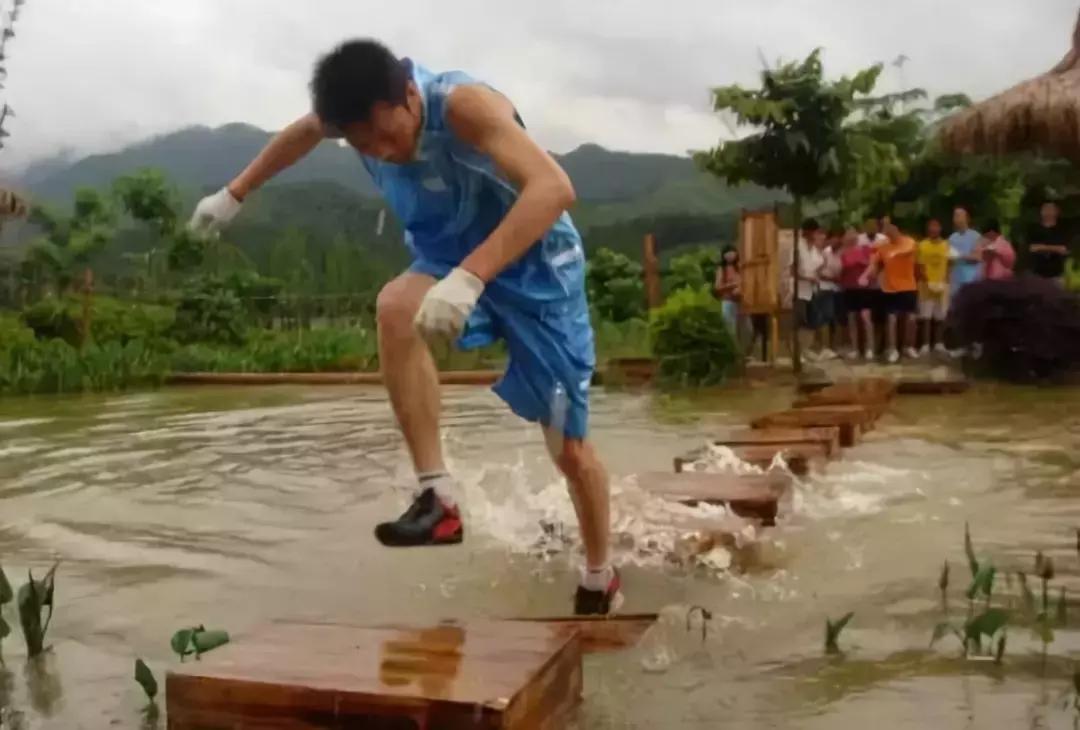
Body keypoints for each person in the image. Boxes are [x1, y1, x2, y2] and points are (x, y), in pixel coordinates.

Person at [187, 39, 622, 615]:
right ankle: (437, 495)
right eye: (365, 146)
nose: (385, 154)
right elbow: (304, 133)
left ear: (411, 95)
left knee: (568, 449)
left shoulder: (464, 106)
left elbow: (554, 188)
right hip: (447, 259)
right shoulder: (354, 115)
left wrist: (471, 278)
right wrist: (234, 193)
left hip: (538, 268)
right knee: (395, 307)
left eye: (388, 136)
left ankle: (600, 574)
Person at [861, 222, 918, 363]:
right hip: (890, 287)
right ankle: (892, 349)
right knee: (891, 319)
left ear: (897, 228)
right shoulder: (882, 246)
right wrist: (865, 275)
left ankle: (908, 346)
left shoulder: (908, 241)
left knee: (910, 319)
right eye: (886, 229)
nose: (888, 231)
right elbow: (874, 264)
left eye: (890, 228)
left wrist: (892, 253)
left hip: (908, 286)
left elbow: (906, 250)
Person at [839, 227, 875, 360]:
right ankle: (855, 348)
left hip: (864, 288)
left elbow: (871, 265)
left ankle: (869, 348)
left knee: (866, 318)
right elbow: (843, 268)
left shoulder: (865, 249)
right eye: (849, 234)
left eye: (853, 234)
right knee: (852, 319)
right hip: (849, 288)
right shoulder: (843, 252)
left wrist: (862, 265)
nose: (851, 237)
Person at [916, 218, 951, 356]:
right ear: (927, 229)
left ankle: (939, 343)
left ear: (940, 228)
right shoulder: (922, 245)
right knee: (926, 317)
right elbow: (920, 266)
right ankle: (925, 344)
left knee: (940, 317)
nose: (933, 229)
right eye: (931, 226)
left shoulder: (946, 245)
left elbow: (949, 264)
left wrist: (946, 281)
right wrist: (927, 281)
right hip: (926, 285)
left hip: (942, 285)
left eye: (936, 226)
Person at [795, 219, 826, 362]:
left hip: (813, 289)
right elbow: (792, 271)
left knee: (813, 321)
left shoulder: (814, 248)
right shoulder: (797, 247)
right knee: (801, 320)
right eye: (814, 232)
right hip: (799, 289)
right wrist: (808, 278)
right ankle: (798, 351)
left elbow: (820, 264)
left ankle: (807, 349)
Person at [1026, 201, 1071, 285]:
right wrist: (1055, 248)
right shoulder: (1033, 229)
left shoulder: (1064, 229)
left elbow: (1064, 249)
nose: (1048, 212)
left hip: (1058, 274)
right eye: (1045, 209)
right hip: (1036, 273)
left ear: (1057, 212)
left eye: (1050, 209)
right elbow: (1032, 248)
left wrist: (1042, 247)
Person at [815, 229, 843, 361]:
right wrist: (831, 278)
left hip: (837, 289)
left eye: (838, 238)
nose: (836, 241)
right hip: (825, 288)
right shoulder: (824, 253)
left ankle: (832, 347)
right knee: (826, 317)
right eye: (834, 238)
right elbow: (817, 272)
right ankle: (824, 347)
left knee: (834, 319)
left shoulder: (841, 253)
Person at [948, 206, 982, 297]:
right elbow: (949, 261)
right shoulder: (952, 238)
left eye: (959, 215)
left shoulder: (975, 236)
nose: (956, 218)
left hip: (971, 281)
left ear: (967, 218)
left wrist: (959, 256)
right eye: (955, 216)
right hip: (956, 281)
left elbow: (978, 257)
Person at [714, 245, 742, 339]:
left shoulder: (741, 267)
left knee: (746, 329)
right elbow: (718, 287)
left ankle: (746, 351)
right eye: (727, 253)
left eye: (732, 252)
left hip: (742, 302)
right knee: (730, 329)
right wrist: (732, 285)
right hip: (728, 302)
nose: (730, 255)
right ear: (723, 256)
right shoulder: (722, 269)